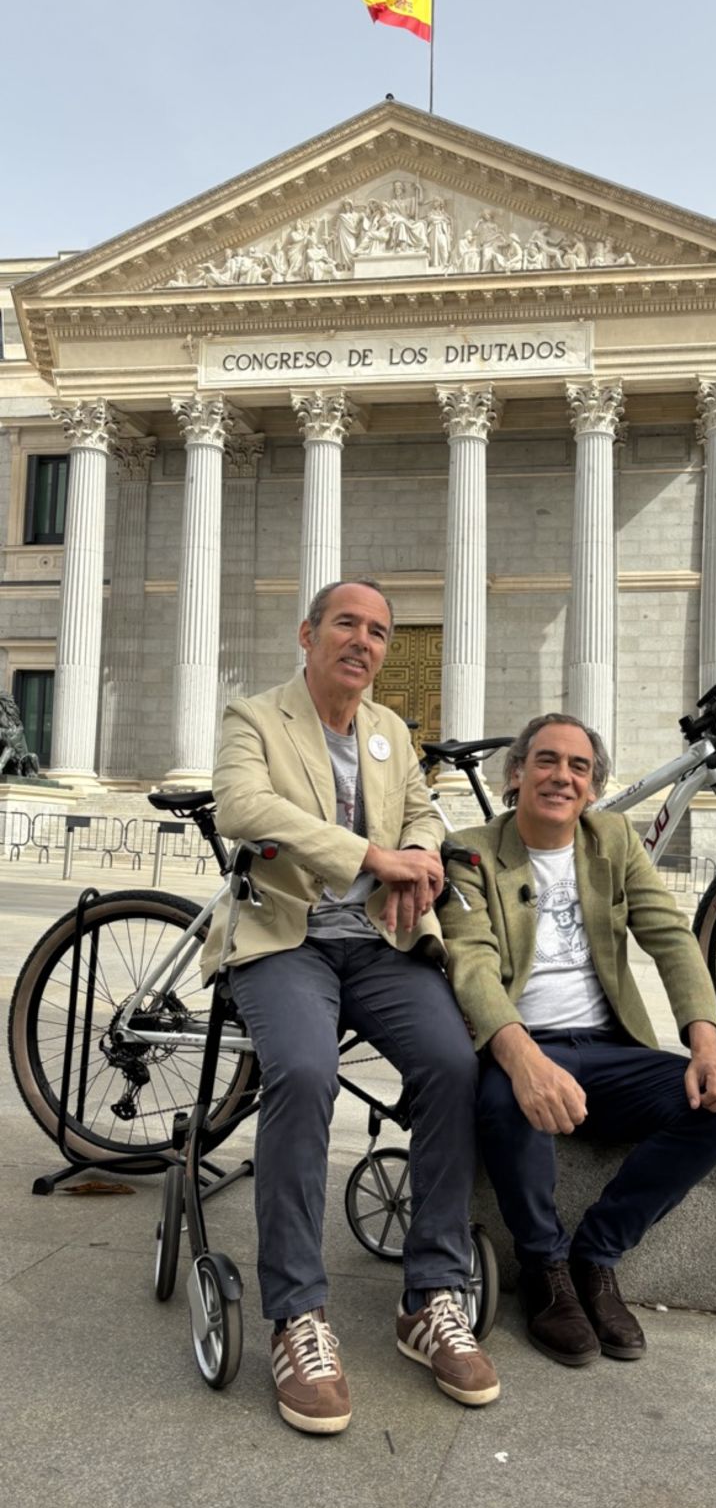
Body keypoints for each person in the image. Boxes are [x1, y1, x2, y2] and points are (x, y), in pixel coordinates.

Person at [202, 579, 499, 1434]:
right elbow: (242, 807)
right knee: (302, 1068)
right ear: (308, 633)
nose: (363, 642)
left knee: (450, 1064)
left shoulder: (389, 729)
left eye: (378, 630)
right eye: (347, 624)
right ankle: (299, 1313)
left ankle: (432, 1297)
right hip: (285, 937)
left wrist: (419, 851)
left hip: (378, 942)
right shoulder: (255, 718)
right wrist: (372, 852)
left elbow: (425, 810)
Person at [438, 714, 716, 1367]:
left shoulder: (613, 840)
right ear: (515, 773)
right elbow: (468, 962)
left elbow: (670, 937)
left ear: (593, 785)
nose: (562, 776)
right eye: (547, 761)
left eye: (579, 767)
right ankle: (545, 1268)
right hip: (520, 1039)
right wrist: (523, 1061)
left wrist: (707, 1045)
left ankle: (597, 1253)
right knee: (504, 1102)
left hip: (610, 1047)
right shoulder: (467, 852)